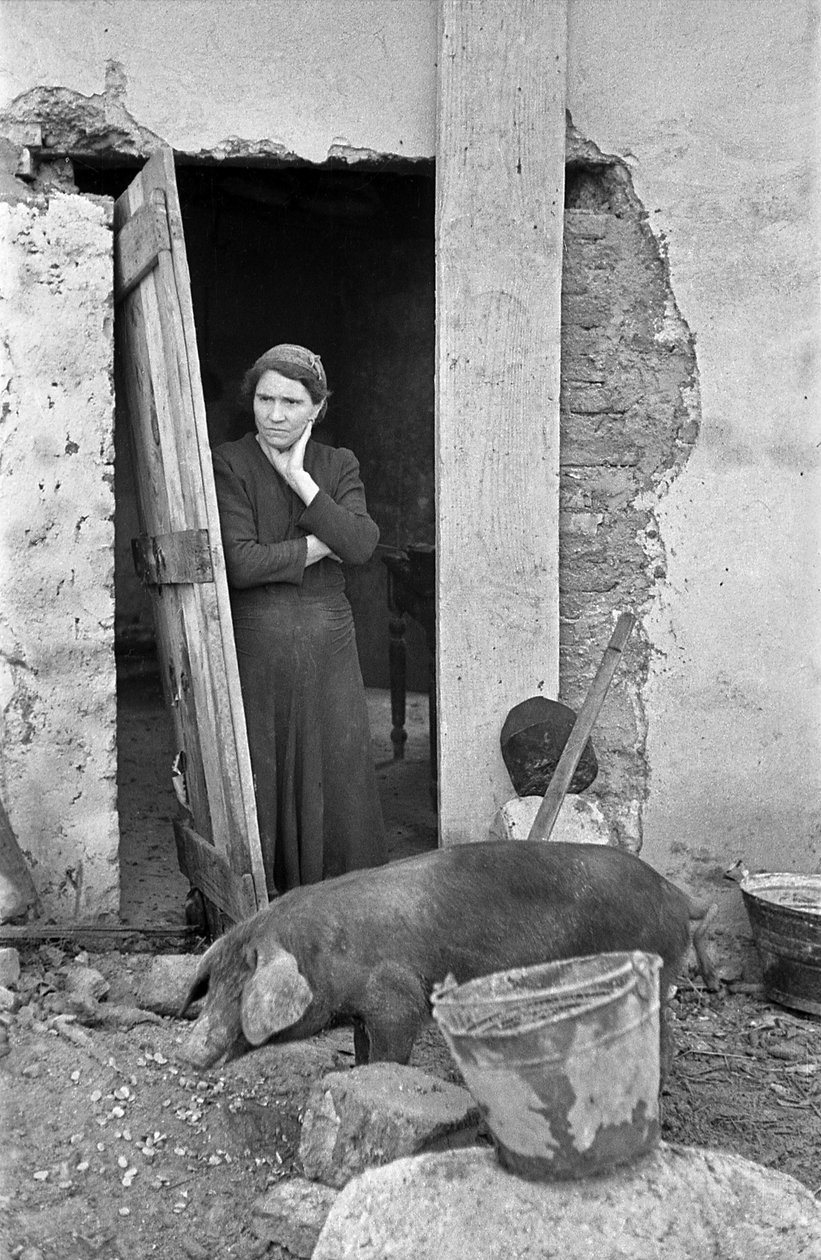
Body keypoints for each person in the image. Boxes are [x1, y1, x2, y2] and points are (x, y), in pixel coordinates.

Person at [212, 343, 387, 895]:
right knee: (261, 768)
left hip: (329, 645)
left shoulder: (337, 464)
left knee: (337, 771)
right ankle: (264, 899)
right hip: (258, 644)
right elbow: (240, 563)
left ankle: (341, 901)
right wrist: (320, 543)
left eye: (292, 402)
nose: (275, 414)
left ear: (317, 408)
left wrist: (299, 479)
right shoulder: (229, 462)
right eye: (265, 399)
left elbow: (360, 545)